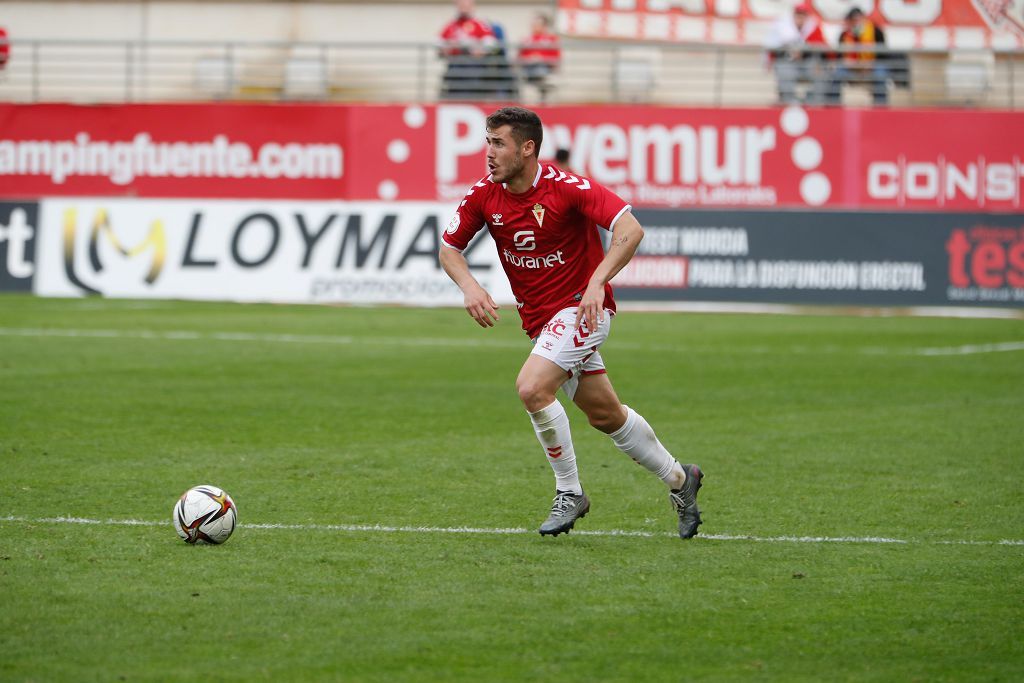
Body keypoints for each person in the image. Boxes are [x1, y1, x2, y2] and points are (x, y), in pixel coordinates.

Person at [438, 107, 704, 539]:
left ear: (527, 148)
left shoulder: (567, 187)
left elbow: (630, 229)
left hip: (583, 310)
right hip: (542, 323)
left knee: (531, 387)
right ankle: (680, 479)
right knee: (605, 415)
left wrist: (599, 281)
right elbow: (450, 248)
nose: (489, 153)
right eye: (487, 142)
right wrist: (469, 286)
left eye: (498, 143)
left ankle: (570, 492)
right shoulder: (484, 195)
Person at [763, 3, 831, 105]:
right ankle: (789, 102)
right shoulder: (782, 26)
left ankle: (813, 102)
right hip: (788, 61)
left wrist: (805, 51)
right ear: (794, 15)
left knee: (820, 72)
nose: (800, 17)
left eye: (803, 15)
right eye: (798, 14)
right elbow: (773, 46)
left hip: (807, 62)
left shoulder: (813, 28)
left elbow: (822, 46)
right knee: (784, 71)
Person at [829, 7, 890, 105]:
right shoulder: (844, 35)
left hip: (871, 67)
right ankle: (832, 105)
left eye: (858, 19)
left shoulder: (875, 31)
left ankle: (880, 107)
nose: (856, 22)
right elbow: (839, 56)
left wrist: (870, 64)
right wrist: (848, 62)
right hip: (851, 69)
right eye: (853, 20)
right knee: (837, 72)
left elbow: (883, 54)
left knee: (881, 73)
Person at [438, 0, 498, 100]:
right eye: (461, 5)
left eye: (466, 5)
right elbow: (439, 41)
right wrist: (447, 48)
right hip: (455, 66)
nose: (463, 8)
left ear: (472, 6)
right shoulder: (452, 25)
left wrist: (481, 50)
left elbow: (492, 43)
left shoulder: (479, 24)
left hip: (473, 66)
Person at [518, 13, 561, 102]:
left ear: (544, 26)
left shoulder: (551, 39)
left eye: (538, 24)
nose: (535, 26)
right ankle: (541, 90)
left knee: (540, 69)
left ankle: (542, 93)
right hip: (528, 69)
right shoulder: (526, 40)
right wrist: (530, 59)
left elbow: (556, 60)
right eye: (534, 24)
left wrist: (541, 59)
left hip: (545, 69)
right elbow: (519, 58)